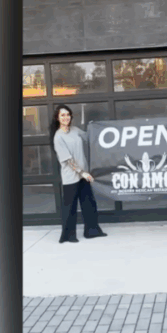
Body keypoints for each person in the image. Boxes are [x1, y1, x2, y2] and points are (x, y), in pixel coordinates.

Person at [50, 104, 107, 244]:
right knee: (70, 207)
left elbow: (90, 137)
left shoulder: (75, 130)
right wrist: (82, 173)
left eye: (68, 114)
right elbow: (68, 160)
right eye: (62, 115)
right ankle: (69, 236)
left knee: (89, 204)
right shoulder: (58, 137)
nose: (66, 117)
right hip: (72, 177)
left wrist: (95, 126)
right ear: (57, 118)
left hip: (84, 174)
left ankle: (92, 231)